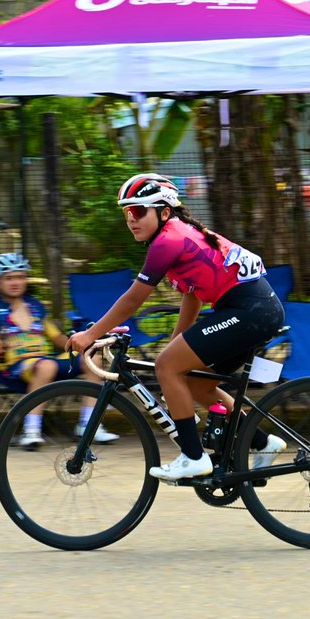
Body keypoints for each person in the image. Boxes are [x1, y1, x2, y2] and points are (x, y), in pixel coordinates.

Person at [65, 173, 286, 481]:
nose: (131, 219)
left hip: (250, 310)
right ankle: (262, 442)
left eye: (139, 211)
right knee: (195, 382)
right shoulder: (177, 236)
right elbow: (192, 298)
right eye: (126, 212)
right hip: (251, 310)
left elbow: (133, 300)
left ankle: (193, 457)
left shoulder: (168, 240)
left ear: (164, 212)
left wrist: (90, 334)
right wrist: (174, 346)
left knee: (167, 366)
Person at [0, 252, 118, 450]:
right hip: (13, 367)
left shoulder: (36, 306)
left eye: (20, 277)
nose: (15, 282)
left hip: (43, 362)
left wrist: (84, 342)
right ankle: (31, 430)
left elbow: (57, 338)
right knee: (47, 365)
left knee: (91, 360)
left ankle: (88, 425)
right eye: (9, 278)